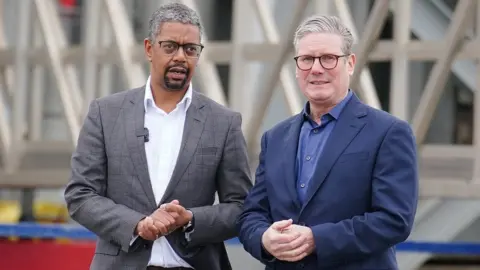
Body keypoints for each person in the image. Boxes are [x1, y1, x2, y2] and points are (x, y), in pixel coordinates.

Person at [64, 3, 252, 270]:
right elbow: (80, 195)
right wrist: (137, 225)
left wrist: (190, 219)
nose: (180, 57)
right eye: (170, 46)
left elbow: (242, 207)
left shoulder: (224, 122)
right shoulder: (105, 113)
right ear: (150, 49)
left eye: (190, 49)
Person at [236, 14, 418, 270]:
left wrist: (317, 239)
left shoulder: (389, 132)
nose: (316, 68)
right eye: (307, 59)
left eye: (328, 58)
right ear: (297, 66)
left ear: (350, 63)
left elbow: (394, 220)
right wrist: (264, 238)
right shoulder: (275, 138)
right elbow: (251, 215)